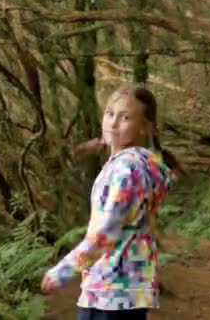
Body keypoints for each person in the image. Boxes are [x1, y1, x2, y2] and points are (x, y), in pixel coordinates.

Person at [40, 83, 183, 320]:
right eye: (109, 114)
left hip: (111, 290)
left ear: (145, 127)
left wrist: (63, 271)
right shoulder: (141, 165)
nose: (113, 123)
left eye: (125, 117)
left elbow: (106, 233)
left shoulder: (126, 171)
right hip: (128, 285)